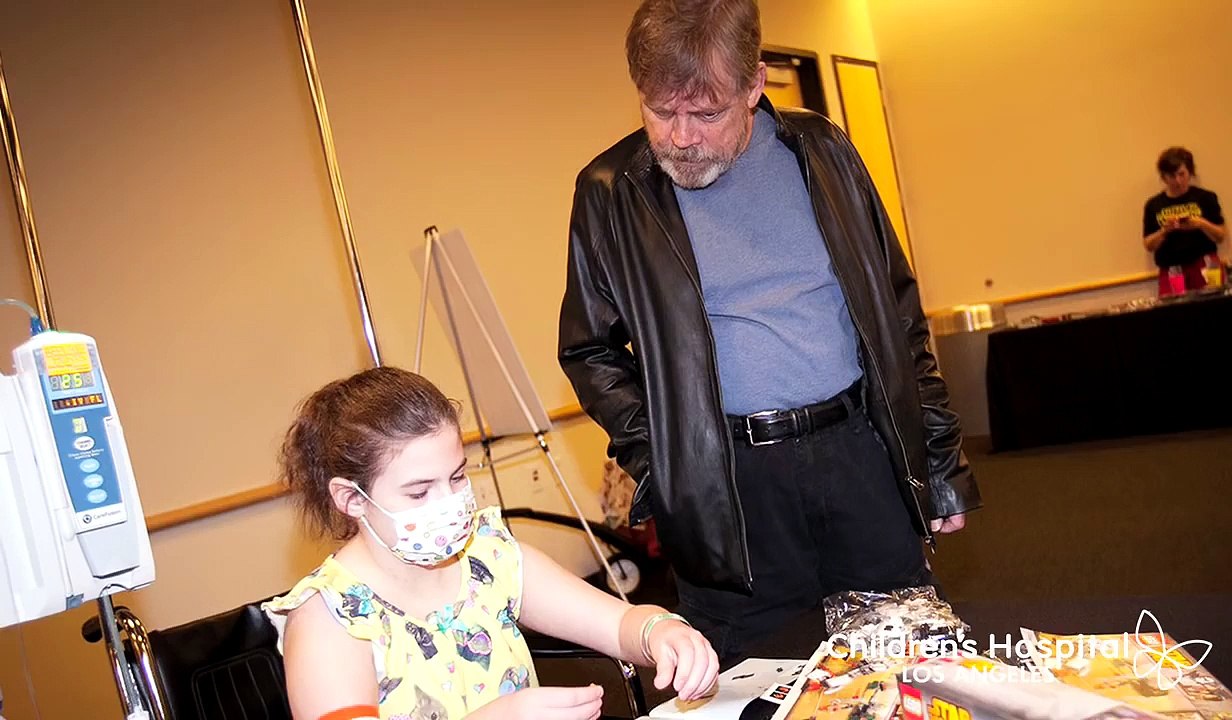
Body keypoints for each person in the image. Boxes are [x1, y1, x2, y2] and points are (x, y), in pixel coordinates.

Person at [557, 0, 981, 665]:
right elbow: (589, 350)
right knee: (744, 685)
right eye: (660, 111)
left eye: (706, 113)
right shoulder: (612, 191)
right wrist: (665, 462)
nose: (680, 137)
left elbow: (896, 310)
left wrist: (938, 458)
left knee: (909, 673)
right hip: (729, 486)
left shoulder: (824, 152)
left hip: (856, 456)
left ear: (754, 87)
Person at [264, 367, 718, 720]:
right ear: (351, 499)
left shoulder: (486, 556)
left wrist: (662, 632)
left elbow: (620, 625)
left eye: (457, 476)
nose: (451, 503)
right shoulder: (329, 617)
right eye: (419, 492)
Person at [1142, 146, 1229, 296]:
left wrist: (1201, 223)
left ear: (1190, 172)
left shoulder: (1206, 198)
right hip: (1171, 267)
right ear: (1163, 177)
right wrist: (1164, 231)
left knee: (1215, 303)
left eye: (1182, 174)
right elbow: (1148, 244)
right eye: (1172, 176)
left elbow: (1221, 235)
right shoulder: (1153, 205)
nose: (1178, 181)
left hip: (1207, 263)